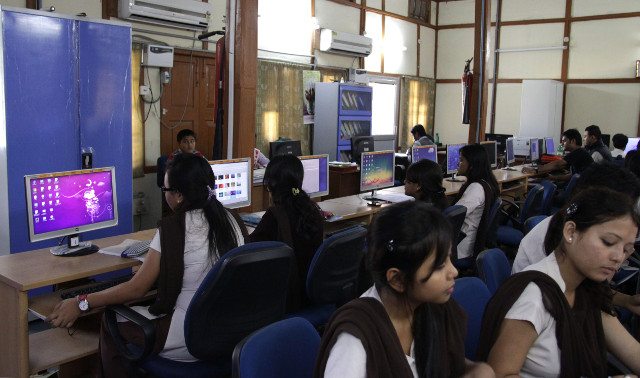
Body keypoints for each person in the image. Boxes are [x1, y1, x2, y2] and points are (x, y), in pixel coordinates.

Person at [45, 154, 244, 376]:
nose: (165, 195)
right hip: (228, 336)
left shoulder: (173, 228)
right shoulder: (232, 221)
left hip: (189, 340)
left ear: (178, 195)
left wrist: (81, 302)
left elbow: (135, 289)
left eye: (165, 190)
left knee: (110, 321)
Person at [314, 201, 494, 378]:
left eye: (448, 258)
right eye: (440, 266)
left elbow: (443, 362)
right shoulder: (355, 341)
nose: (454, 271)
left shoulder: (431, 308)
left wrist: (474, 369)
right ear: (397, 279)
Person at [477, 187, 640, 377]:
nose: (618, 257)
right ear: (571, 232)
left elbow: (632, 352)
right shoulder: (535, 297)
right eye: (608, 242)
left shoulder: (586, 290)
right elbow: (501, 374)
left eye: (626, 250)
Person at [249, 154, 324, 311]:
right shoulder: (313, 210)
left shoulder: (275, 216)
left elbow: (248, 250)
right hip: (311, 293)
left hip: (288, 298)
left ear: (273, 183)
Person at [454, 144, 499, 260]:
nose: (458, 164)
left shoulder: (476, 188)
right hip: (467, 239)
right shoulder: (487, 182)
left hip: (460, 245)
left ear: (472, 165)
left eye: (461, 160)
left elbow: (454, 216)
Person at [522, 128, 593, 183]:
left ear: (573, 141)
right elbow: (572, 175)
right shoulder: (581, 151)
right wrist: (553, 178)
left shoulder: (578, 152)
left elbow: (557, 164)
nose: (562, 144)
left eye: (564, 141)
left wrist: (535, 171)